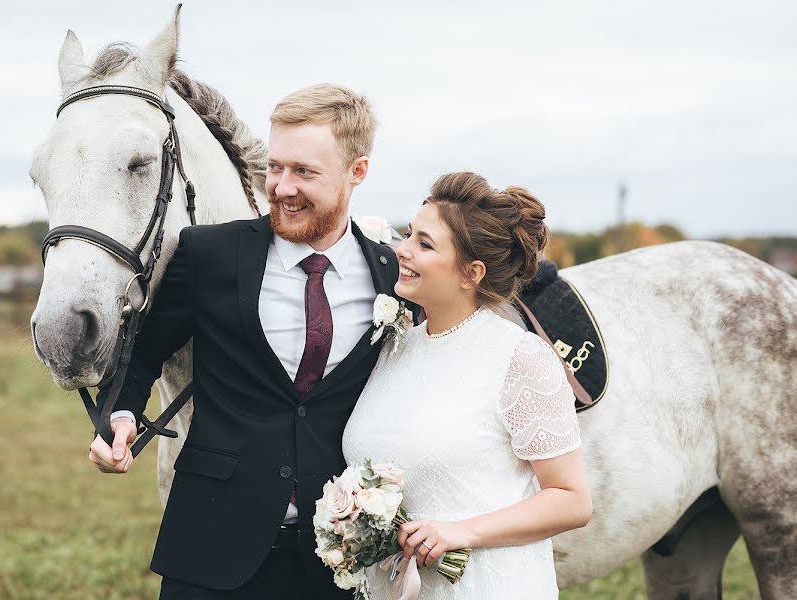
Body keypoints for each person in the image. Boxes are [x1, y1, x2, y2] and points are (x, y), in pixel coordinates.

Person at [88, 84, 407, 599]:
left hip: (338, 563)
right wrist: (120, 417)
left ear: (358, 172)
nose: (281, 187)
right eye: (276, 166)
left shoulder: (391, 274)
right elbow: (144, 352)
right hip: (210, 548)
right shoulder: (209, 254)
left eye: (304, 172)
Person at [342, 172, 592, 599]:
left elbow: (572, 499)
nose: (401, 250)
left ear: (470, 273)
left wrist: (462, 532)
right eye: (408, 234)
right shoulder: (395, 346)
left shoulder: (519, 357)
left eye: (425, 244)